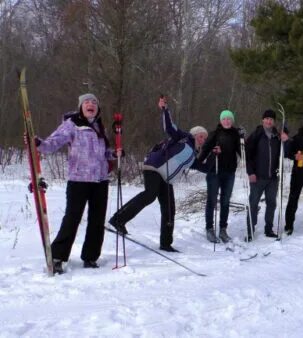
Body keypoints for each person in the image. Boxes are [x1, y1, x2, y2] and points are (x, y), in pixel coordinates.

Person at [109, 96, 208, 252]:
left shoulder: (193, 157)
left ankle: (165, 243)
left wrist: (217, 158)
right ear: (194, 134)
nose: (203, 139)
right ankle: (118, 219)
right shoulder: (183, 138)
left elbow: (205, 168)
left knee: (169, 208)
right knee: (150, 194)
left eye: (205, 137)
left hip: (166, 179)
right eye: (201, 135)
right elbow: (169, 127)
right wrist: (165, 109)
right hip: (154, 167)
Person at [33, 93, 118, 274]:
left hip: (100, 181)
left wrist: (114, 154)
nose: (91, 104)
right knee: (72, 219)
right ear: (80, 106)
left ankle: (90, 257)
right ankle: (57, 257)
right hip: (79, 180)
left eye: (94, 102)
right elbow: (53, 143)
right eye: (87, 102)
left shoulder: (99, 127)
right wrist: (39, 144)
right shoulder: (72, 125)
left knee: (97, 221)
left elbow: (105, 152)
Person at [198, 109, 241, 243]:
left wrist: (244, 139)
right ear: (220, 120)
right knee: (212, 200)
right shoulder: (215, 134)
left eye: (229, 119)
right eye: (224, 119)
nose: (226, 121)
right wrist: (200, 160)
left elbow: (242, 152)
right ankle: (209, 228)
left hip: (229, 173)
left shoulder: (236, 135)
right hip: (214, 172)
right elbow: (205, 150)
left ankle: (223, 229)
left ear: (232, 120)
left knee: (225, 201)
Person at [245, 109, 289, 239]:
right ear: (262, 120)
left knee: (271, 203)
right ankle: (250, 230)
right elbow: (247, 156)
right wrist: (251, 172)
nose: (269, 121)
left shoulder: (277, 136)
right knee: (253, 204)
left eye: (271, 119)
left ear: (274, 122)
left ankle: (268, 229)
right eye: (267, 118)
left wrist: (286, 140)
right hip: (257, 177)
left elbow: (286, 153)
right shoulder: (256, 135)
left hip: (273, 178)